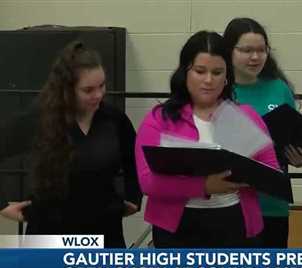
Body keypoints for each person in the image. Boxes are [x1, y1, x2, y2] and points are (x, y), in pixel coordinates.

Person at [135, 30, 279, 248]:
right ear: (185, 72)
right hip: (177, 228)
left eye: (217, 72)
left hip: (235, 222)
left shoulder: (246, 116)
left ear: (227, 76)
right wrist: (205, 186)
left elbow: (272, 173)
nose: (209, 80)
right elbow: (149, 183)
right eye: (200, 71)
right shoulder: (159, 118)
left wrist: (246, 172)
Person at [0, 41, 142, 248]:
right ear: (67, 89)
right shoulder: (38, 119)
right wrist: (2, 207)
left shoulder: (114, 119)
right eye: (88, 90)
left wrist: (134, 196)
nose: (99, 95)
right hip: (49, 234)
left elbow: (135, 159)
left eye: (102, 86)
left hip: (105, 232)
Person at [223, 17, 302, 248]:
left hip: (273, 202)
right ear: (228, 51)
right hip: (229, 202)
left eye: (262, 50)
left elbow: (293, 135)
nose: (255, 57)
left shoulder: (278, 88)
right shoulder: (217, 89)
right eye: (247, 50)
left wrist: (299, 156)